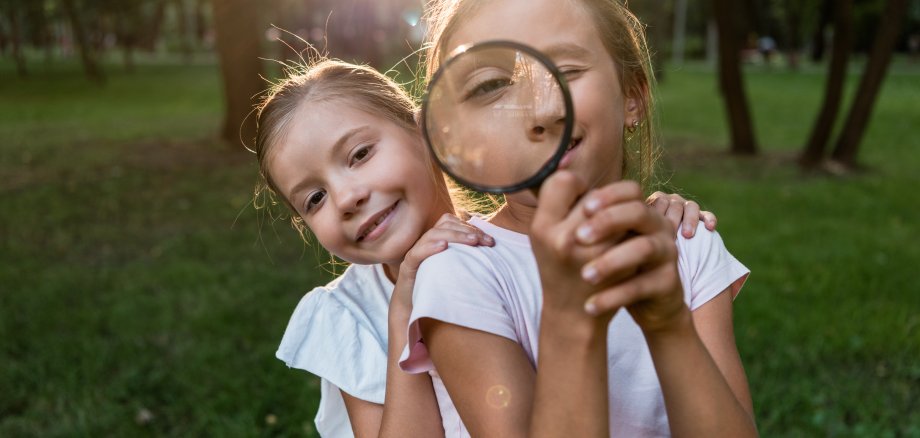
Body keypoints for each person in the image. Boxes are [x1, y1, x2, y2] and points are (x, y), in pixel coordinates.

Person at [253, 58, 714, 437]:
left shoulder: (515, 245)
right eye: (314, 199)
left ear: (426, 132)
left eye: (359, 155)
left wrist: (646, 213)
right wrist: (401, 318)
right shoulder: (348, 317)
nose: (346, 198)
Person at [399, 0, 757, 436]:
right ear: (456, 134)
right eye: (492, 86)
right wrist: (571, 314)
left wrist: (669, 326)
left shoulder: (686, 244)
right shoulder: (459, 271)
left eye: (566, 71)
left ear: (632, 98)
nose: (541, 111)